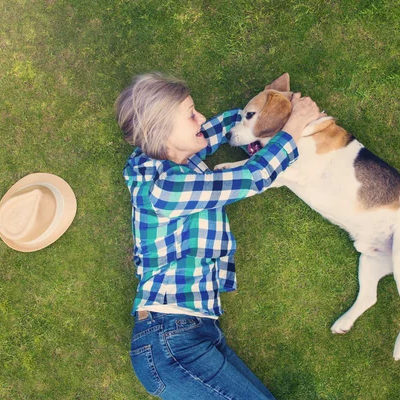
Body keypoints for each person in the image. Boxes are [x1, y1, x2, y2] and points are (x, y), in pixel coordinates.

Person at [116, 72, 321, 399]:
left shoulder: (171, 158)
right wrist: (295, 127)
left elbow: (223, 128)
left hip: (187, 334)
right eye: (191, 114)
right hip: (170, 342)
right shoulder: (165, 187)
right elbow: (252, 176)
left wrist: (276, 107)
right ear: (164, 133)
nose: (201, 118)